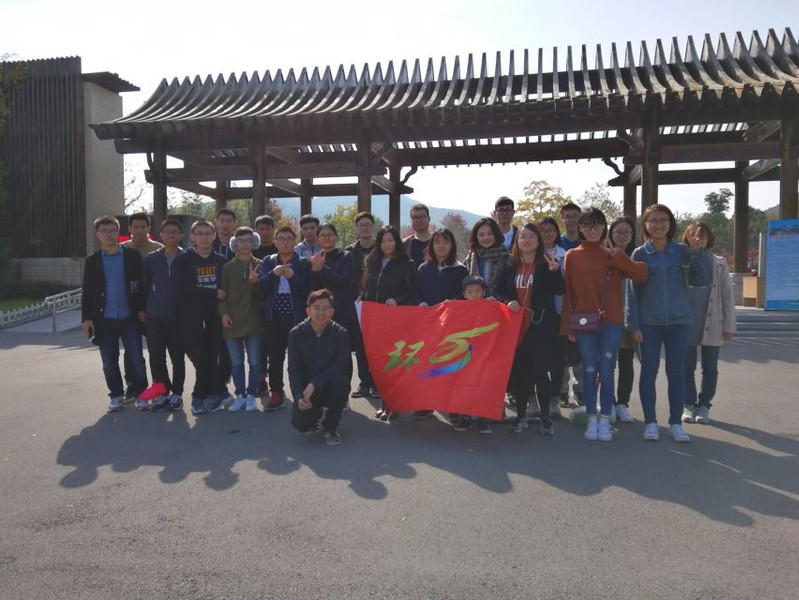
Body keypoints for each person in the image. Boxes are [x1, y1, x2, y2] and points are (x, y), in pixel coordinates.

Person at [561, 207, 648, 442]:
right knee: (590, 370)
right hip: (584, 322)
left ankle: (606, 419)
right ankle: (592, 419)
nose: (593, 230)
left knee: (607, 371)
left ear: (604, 228)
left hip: (612, 321)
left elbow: (641, 275)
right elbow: (569, 293)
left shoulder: (612, 254)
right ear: (580, 228)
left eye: (597, 225)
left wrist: (619, 256)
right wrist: (568, 326)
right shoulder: (572, 255)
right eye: (588, 225)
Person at [626, 204, 694, 443]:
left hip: (679, 320)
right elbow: (632, 293)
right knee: (649, 371)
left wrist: (699, 252)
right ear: (645, 225)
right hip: (649, 322)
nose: (658, 225)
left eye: (663, 220)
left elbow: (701, 279)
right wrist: (633, 325)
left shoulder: (682, 251)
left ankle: (676, 423)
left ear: (670, 223)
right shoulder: (639, 254)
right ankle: (651, 423)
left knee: (676, 372)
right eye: (652, 220)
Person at [500, 223, 564, 435]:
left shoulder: (547, 264)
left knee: (540, 373)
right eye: (522, 237)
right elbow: (499, 291)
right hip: (517, 327)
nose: (526, 240)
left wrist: (555, 272)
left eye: (531, 237)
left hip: (541, 326)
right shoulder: (510, 264)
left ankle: (545, 417)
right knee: (521, 374)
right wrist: (508, 301)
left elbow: (559, 290)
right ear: (517, 241)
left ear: (538, 241)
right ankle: (521, 415)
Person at [81, 215, 148, 412]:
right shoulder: (92, 261)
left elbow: (142, 285)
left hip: (130, 316)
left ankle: (141, 395)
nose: (109, 234)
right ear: (97, 234)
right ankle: (116, 396)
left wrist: (142, 308)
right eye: (104, 231)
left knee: (136, 358)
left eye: (112, 230)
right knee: (109, 361)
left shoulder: (132, 256)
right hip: (104, 318)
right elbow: (87, 291)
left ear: (119, 232)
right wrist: (87, 318)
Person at [172, 219, 231, 415]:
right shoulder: (182, 260)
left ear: (214, 236)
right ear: (192, 236)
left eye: (208, 233)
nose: (204, 237)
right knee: (200, 357)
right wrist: (212, 293)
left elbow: (226, 290)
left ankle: (200, 397)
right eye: (200, 233)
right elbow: (182, 290)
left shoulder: (221, 261)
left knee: (213, 356)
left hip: (215, 317)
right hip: (190, 317)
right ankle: (218, 390)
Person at [681, 221, 736, 425]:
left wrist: (729, 325)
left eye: (702, 236)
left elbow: (727, 295)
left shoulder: (718, 262)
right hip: (687, 319)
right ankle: (688, 403)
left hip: (712, 319)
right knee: (686, 366)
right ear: (687, 237)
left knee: (710, 367)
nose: (698, 238)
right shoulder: (680, 258)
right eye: (694, 235)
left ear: (708, 239)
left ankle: (704, 405)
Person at [412, 228, 468, 420]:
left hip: (453, 327)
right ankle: (427, 404)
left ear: (452, 245)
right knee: (428, 365)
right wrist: (421, 302)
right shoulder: (423, 269)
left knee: (450, 365)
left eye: (446, 242)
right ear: (432, 245)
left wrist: (455, 303)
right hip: (428, 326)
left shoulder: (460, 269)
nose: (441, 246)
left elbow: (465, 295)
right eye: (437, 242)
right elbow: (416, 292)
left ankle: (453, 406)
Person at [363, 225, 416, 420]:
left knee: (395, 364)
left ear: (397, 242)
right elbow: (367, 288)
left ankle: (393, 404)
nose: (387, 244)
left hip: (396, 320)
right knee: (380, 363)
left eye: (391, 240)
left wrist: (398, 300)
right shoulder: (372, 262)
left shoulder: (407, 264)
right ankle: (385, 401)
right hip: (375, 319)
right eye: (383, 240)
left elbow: (412, 291)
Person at [289, 289, 351, 446]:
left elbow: (342, 364)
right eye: (316, 308)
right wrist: (298, 397)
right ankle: (314, 413)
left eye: (325, 308)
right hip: (308, 390)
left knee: (341, 383)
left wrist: (315, 383)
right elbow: (294, 369)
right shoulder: (296, 334)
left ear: (332, 312)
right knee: (301, 425)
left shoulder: (341, 333)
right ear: (308, 311)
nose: (321, 313)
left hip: (329, 384)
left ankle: (331, 426)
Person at [260, 225, 312, 411]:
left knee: (299, 357)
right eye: (281, 238)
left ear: (294, 241)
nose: (285, 242)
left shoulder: (303, 263)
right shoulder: (268, 261)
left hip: (296, 316)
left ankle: (303, 393)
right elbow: (261, 286)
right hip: (273, 316)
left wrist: (292, 277)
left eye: (289, 238)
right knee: (274, 357)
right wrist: (273, 274)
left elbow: (307, 291)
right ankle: (276, 393)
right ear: (275, 241)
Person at [141, 218, 186, 412]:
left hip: (179, 318)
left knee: (177, 358)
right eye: (167, 231)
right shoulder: (150, 259)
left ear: (181, 235)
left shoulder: (187, 258)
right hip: (155, 316)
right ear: (160, 235)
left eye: (174, 232)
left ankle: (177, 394)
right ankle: (162, 392)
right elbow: (143, 287)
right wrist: (143, 310)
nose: (170, 235)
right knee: (156, 357)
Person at [219, 227, 265, 412]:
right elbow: (222, 294)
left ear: (254, 242)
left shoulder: (262, 264)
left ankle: (252, 394)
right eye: (240, 240)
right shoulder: (228, 267)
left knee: (254, 362)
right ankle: (240, 395)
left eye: (248, 240)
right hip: (232, 321)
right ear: (234, 243)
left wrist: (255, 283)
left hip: (254, 320)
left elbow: (263, 294)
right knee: (236, 362)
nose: (244, 244)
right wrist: (224, 314)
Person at [309, 223, 358, 379]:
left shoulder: (346, 256)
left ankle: (344, 389)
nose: (327, 238)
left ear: (336, 237)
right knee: (325, 351)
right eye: (323, 235)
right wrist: (315, 271)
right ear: (318, 239)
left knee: (344, 351)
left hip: (343, 310)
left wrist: (323, 269)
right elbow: (314, 289)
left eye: (330, 234)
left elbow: (344, 280)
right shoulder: (316, 258)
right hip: (323, 312)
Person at [452, 275, 496, 434]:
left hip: (484, 355)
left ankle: (483, 418)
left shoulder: (491, 306)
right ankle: (465, 416)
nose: (474, 295)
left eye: (478, 291)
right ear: (464, 294)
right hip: (465, 355)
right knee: (464, 385)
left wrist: (494, 303)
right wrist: (448, 306)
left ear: (484, 292)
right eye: (470, 292)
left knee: (483, 385)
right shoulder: (459, 308)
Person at [608, 216, 638, 423]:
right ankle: (609, 402)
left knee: (626, 363)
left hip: (630, 315)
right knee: (607, 364)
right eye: (618, 231)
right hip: (608, 315)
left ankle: (622, 404)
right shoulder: (604, 254)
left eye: (627, 232)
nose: (622, 235)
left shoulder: (637, 255)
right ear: (610, 233)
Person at [537, 216, 567, 419]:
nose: (547, 233)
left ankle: (555, 399)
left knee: (558, 359)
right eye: (543, 230)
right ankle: (537, 400)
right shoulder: (532, 253)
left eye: (551, 230)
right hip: (538, 314)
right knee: (537, 358)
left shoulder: (566, 255)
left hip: (559, 311)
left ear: (557, 232)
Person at [345, 211, 377, 399]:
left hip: (378, 301)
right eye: (361, 225)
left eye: (368, 224)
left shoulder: (382, 247)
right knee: (360, 344)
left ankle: (377, 383)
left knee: (377, 344)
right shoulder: (349, 251)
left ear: (373, 227)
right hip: (357, 302)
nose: (365, 228)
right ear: (356, 229)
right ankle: (364, 382)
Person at [558, 203, 584, 407]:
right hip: (560, 301)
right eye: (567, 216)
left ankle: (580, 389)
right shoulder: (558, 241)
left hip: (582, 301)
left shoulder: (587, 241)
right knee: (562, 348)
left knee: (580, 349)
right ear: (562, 219)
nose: (571, 220)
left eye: (575, 216)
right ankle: (562, 390)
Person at [252, 214, 277, 396]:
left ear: (273, 230)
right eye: (261, 229)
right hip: (254, 303)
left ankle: (277, 383)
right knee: (258, 345)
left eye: (268, 228)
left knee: (274, 345)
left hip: (275, 303)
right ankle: (261, 379)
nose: (265, 232)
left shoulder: (279, 249)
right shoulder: (251, 251)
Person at [463, 217, 509, 299]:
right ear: (476, 237)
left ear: (496, 234)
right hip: (476, 304)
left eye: (490, 233)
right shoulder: (470, 259)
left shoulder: (507, 258)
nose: (486, 238)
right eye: (481, 235)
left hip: (501, 303)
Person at [402, 203, 433, 268]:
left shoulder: (439, 241)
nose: (418, 220)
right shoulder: (405, 244)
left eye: (422, 216)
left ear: (429, 218)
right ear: (411, 220)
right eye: (415, 217)